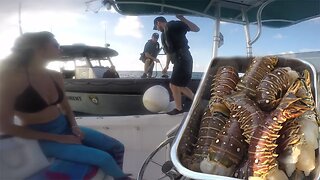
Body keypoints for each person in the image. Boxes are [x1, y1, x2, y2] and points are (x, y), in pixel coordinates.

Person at [0, 32, 130, 179]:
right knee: (104, 159)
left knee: (117, 147)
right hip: (41, 137)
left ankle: (115, 175)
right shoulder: (11, 78)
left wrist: (74, 126)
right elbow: (6, 126)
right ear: (39, 49)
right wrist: (58, 138)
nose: (60, 49)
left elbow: (66, 107)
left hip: (64, 126)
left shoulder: (55, 75)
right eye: (56, 45)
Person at [153, 15, 200, 115]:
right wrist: (166, 66)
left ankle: (179, 109)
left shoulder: (174, 25)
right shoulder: (162, 36)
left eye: (156, 27)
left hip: (184, 58)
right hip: (178, 60)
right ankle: (197, 102)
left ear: (158, 23)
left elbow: (196, 29)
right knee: (180, 86)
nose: (157, 29)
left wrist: (182, 18)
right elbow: (169, 53)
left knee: (173, 85)